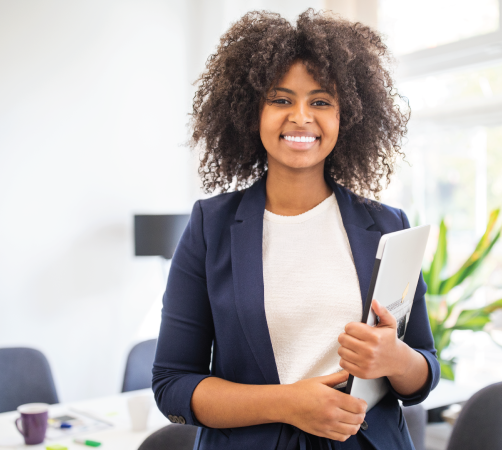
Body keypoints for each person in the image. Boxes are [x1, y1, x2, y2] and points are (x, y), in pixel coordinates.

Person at [152, 9, 440, 450]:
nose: (301, 117)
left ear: (347, 116)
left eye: (321, 101)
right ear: (252, 113)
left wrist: (396, 358)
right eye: (281, 99)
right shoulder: (211, 226)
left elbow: (422, 373)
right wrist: (288, 404)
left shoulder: (387, 225)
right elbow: (173, 383)